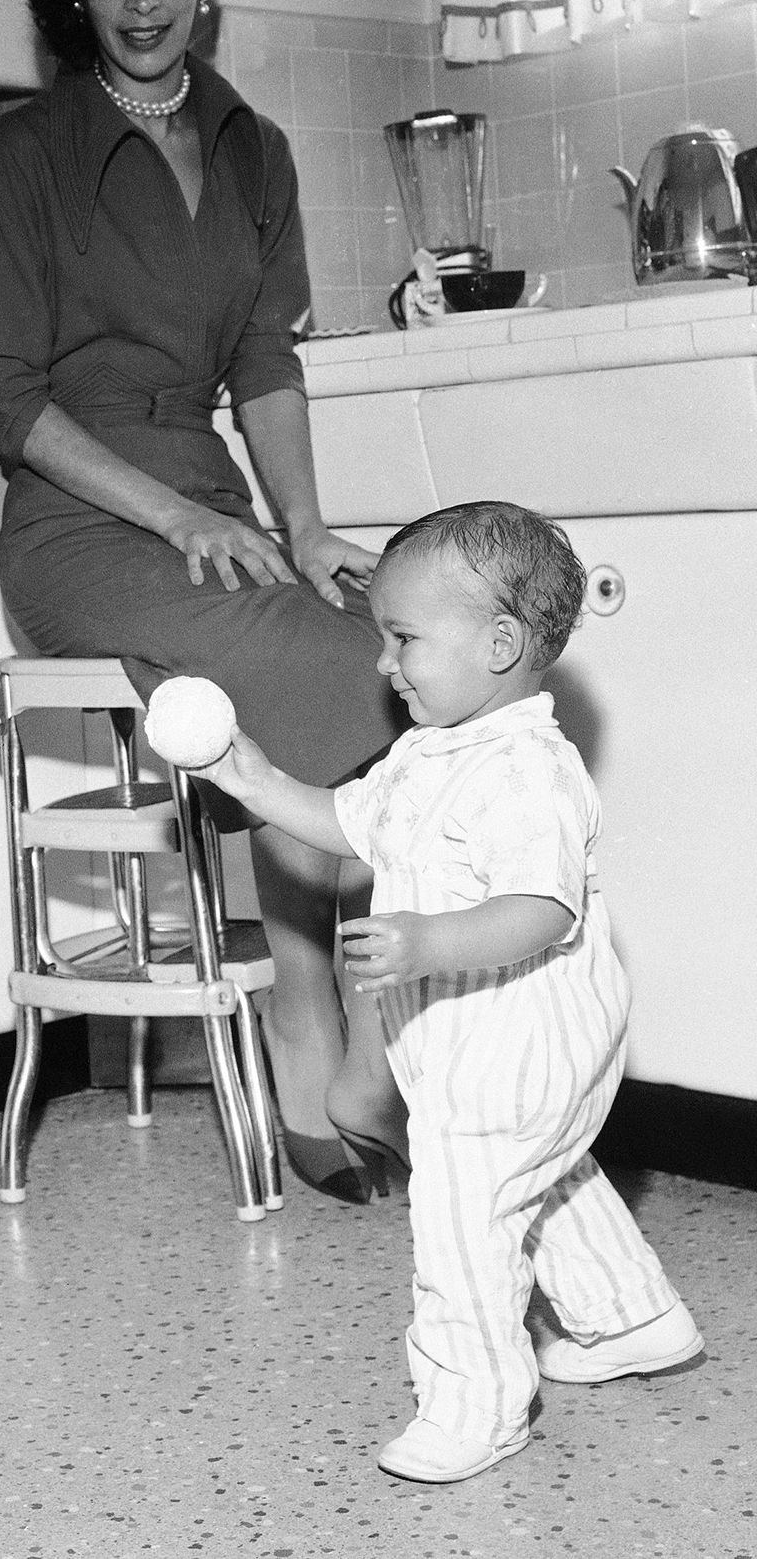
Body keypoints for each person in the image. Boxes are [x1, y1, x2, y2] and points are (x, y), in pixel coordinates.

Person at [0, 0, 407, 1202]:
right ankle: (339, 1036)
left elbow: (264, 358)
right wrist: (175, 514)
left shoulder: (253, 148)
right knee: (344, 671)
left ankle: (321, 1010)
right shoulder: (21, 155)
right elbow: (3, 399)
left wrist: (306, 525)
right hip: (82, 530)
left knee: (405, 637)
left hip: (216, 507)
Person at [191, 501, 701, 1483]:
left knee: (465, 1211)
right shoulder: (430, 749)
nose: (384, 661)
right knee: (536, 1170)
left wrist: (429, 939)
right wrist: (253, 780)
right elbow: (347, 822)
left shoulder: (525, 770)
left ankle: (472, 1402)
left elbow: (539, 910)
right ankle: (631, 1317)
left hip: (521, 1037)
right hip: (475, 1043)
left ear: (499, 643)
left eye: (404, 638)